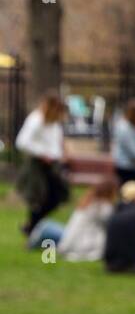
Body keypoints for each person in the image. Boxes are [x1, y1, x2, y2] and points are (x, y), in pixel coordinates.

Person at [14, 93, 68, 235]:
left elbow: (55, 142)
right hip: (38, 164)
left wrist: (61, 154)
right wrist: (42, 154)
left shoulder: (53, 122)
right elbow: (22, 142)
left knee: (57, 196)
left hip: (52, 164)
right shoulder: (36, 119)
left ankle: (32, 225)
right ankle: (32, 228)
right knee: (39, 198)